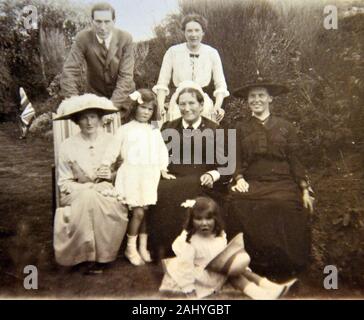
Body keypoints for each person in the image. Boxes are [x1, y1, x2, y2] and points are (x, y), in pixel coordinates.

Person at [227, 76, 314, 275]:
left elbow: (295, 160)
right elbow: (236, 159)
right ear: (247, 100)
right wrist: (239, 179)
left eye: (261, 95)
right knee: (237, 202)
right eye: (252, 96)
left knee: (282, 204)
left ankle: (285, 264)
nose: (256, 100)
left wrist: (304, 189)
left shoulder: (286, 126)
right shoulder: (240, 127)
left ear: (270, 99)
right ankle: (249, 262)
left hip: (282, 181)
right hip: (252, 180)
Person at [148, 81, 231, 258]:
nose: (187, 108)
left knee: (186, 190)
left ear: (201, 106)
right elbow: (155, 154)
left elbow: (227, 166)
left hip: (203, 181)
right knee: (160, 190)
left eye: (192, 103)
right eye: (182, 104)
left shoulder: (215, 129)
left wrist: (212, 174)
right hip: (172, 178)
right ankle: (165, 249)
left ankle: (192, 249)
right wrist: (160, 169)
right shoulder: (168, 127)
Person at [159, 197, 296, 299]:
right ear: (191, 220)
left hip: (214, 267)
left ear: (216, 219)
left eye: (208, 219)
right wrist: (189, 289)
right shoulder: (190, 241)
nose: (204, 223)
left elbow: (223, 256)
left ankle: (269, 286)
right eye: (198, 219)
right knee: (234, 277)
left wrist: (240, 266)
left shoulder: (218, 235)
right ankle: (259, 295)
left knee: (243, 271)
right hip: (198, 274)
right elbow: (185, 267)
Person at [53, 94, 128, 274]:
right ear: (76, 121)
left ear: (100, 119)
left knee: (102, 201)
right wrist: (89, 188)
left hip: (108, 189)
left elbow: (125, 168)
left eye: (93, 116)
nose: (89, 122)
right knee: (88, 198)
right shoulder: (67, 145)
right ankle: (85, 257)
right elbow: (64, 181)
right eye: (83, 118)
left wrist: (111, 175)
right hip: (76, 191)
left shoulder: (112, 140)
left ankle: (103, 255)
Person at [101, 89, 170, 266]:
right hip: (132, 174)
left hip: (149, 174)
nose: (146, 112)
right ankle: (130, 248)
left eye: (149, 109)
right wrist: (105, 165)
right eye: (142, 108)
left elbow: (161, 149)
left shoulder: (154, 128)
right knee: (137, 212)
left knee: (145, 212)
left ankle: (142, 247)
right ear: (134, 108)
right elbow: (112, 150)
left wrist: (163, 168)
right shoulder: (124, 129)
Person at [60, 2, 135, 119]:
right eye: (98, 22)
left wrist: (111, 108)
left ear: (114, 21)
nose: (103, 27)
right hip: (95, 100)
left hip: (124, 100)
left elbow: (126, 77)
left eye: (107, 22)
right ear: (92, 21)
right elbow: (70, 71)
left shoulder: (126, 39)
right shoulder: (82, 38)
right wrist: (74, 103)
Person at [153, 13, 229, 123]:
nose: (193, 34)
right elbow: (162, 83)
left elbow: (220, 84)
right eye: (189, 30)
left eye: (197, 30)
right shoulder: (173, 51)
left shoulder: (212, 53)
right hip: (178, 103)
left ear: (203, 32)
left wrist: (217, 106)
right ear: (184, 32)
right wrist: (160, 106)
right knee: (172, 133)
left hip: (202, 103)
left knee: (205, 135)